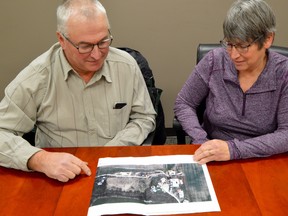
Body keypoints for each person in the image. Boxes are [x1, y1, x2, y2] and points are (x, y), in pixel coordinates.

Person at [0, 0, 156, 182]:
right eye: (85, 46)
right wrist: (40, 159)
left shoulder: (127, 66)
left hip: (116, 168)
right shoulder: (37, 78)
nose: (97, 55)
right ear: (61, 40)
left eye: (103, 42)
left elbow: (144, 117)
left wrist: (114, 148)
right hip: (61, 176)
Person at [174, 0, 288, 164]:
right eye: (229, 44)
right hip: (213, 154)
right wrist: (202, 141)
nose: (233, 55)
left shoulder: (284, 73)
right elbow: (184, 102)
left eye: (243, 46)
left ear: (268, 39)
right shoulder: (214, 61)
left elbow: (286, 134)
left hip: (262, 157)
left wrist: (233, 150)